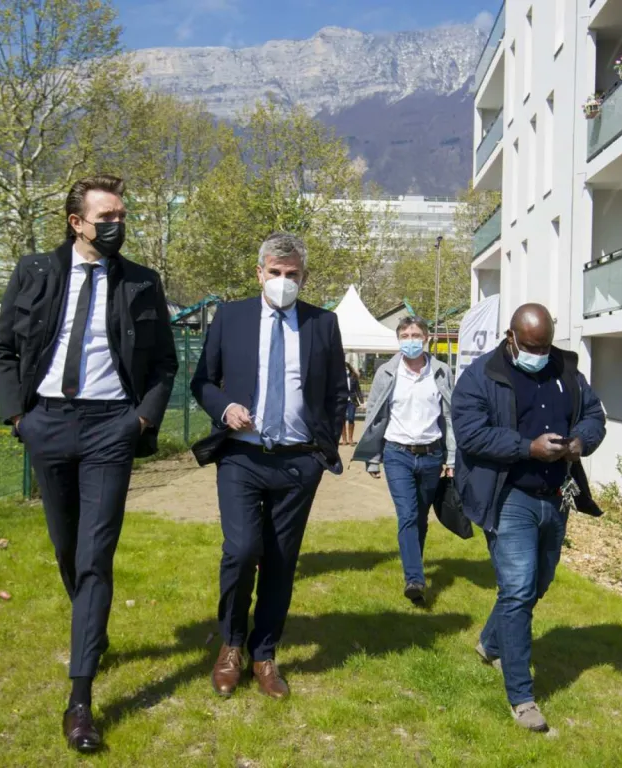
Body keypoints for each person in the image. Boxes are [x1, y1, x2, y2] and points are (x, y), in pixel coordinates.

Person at [0, 175, 178, 753]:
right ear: (77, 223)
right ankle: (92, 626)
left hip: (110, 430)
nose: (117, 224)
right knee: (67, 548)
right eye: (106, 216)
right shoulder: (36, 273)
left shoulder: (143, 281)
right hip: (46, 422)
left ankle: (80, 698)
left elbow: (165, 365)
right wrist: (19, 416)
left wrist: (139, 421)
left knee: (96, 555)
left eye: (122, 214)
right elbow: (0, 347)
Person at [190, 232, 348, 701]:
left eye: (292, 275)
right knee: (241, 551)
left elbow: (338, 393)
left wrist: (321, 454)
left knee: (281, 561)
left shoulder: (324, 324)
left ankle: (264, 654)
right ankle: (231, 645)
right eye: (275, 273)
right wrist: (224, 409)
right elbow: (202, 381)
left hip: (299, 462)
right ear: (259, 273)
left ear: (304, 277)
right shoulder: (231, 317)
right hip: (242, 454)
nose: (283, 282)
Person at [451, 303, 606, 733]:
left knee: (538, 584)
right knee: (517, 589)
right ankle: (522, 697)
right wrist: (527, 448)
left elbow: (595, 415)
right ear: (511, 336)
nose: (539, 353)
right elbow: (471, 433)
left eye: (545, 345)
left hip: (556, 495)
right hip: (509, 495)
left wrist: (579, 442)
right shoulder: (480, 375)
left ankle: (490, 641)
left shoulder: (566, 370)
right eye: (531, 346)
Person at [353, 317, 455, 605]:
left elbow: (449, 417)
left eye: (416, 334)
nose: (411, 339)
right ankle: (414, 578)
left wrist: (451, 456)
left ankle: (415, 568)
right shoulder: (387, 372)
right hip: (397, 453)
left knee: (420, 518)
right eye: (405, 334)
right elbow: (374, 416)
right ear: (398, 339)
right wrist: (373, 458)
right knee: (408, 515)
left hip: (432, 454)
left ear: (426, 339)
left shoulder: (441, 372)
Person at [341, 363, 363, 445]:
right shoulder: (339, 377)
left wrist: (361, 400)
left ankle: (350, 439)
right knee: (342, 420)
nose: (345, 370)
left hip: (352, 400)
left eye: (347, 368)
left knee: (351, 418)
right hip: (342, 401)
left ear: (349, 369)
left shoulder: (353, 377)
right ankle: (344, 439)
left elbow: (358, 389)